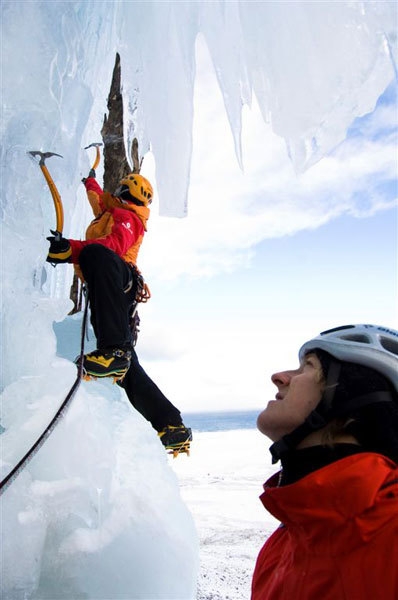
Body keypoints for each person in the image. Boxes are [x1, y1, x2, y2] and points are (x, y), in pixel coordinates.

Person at [46, 171, 192, 455]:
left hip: (119, 280)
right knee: (127, 365)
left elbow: (114, 246)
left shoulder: (128, 217)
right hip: (113, 292)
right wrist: (89, 180)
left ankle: (114, 352)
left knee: (95, 255)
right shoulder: (113, 211)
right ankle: (171, 425)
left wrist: (71, 250)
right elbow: (98, 200)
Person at [251, 324, 398, 600]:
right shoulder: (280, 546)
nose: (279, 377)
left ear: (350, 395)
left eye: (307, 366)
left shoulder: (392, 533)